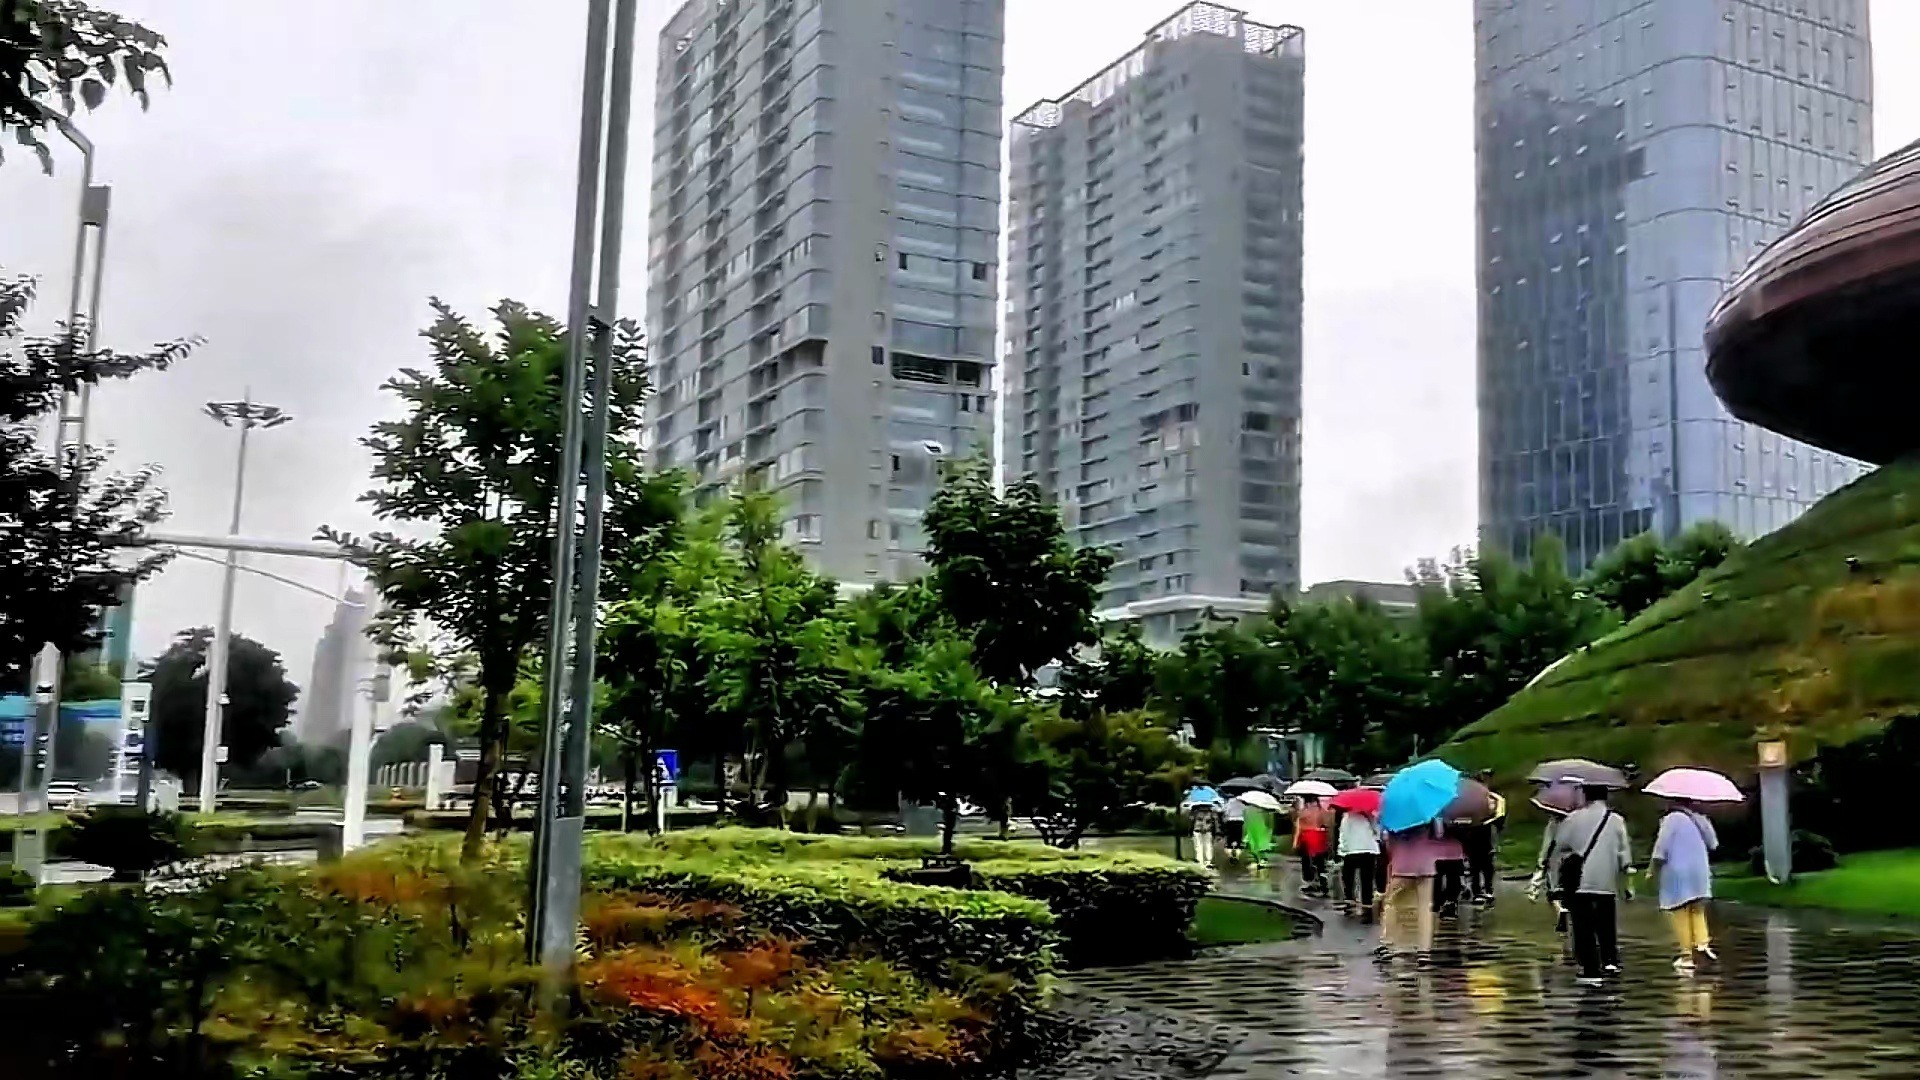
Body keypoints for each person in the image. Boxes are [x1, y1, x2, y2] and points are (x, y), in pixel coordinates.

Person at [1551, 785, 1634, 985]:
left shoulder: (1573, 818)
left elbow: (1561, 843)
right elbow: (1624, 853)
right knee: (1606, 922)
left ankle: (1590, 968)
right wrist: (1626, 879)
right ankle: (1609, 960)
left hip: (1580, 880)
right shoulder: (1616, 820)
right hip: (1607, 880)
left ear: (1585, 795)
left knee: (1583, 925)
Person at [1651, 798, 1720, 974]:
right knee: (1697, 908)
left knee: (1680, 910)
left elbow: (1661, 848)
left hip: (1677, 870)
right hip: (1699, 869)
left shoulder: (1671, 819)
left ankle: (1687, 954)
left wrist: (1653, 869)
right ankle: (1702, 943)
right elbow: (1714, 844)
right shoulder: (1700, 818)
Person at [1378, 822, 1447, 963]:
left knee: (1393, 905)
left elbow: (1385, 840)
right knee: (1425, 908)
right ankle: (1423, 949)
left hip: (1402, 866)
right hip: (1425, 865)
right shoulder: (1428, 814)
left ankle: (1390, 943)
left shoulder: (1393, 815)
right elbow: (1439, 834)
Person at [1337, 803, 1383, 914]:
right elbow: (1377, 833)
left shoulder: (1347, 817)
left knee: (1348, 877)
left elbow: (1343, 834)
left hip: (1352, 850)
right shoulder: (1371, 816)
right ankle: (1367, 904)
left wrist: (1342, 849)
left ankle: (1349, 900)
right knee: (1366, 878)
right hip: (1369, 849)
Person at [1293, 796, 1333, 896]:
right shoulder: (1322, 811)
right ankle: (1322, 881)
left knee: (1308, 862)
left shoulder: (1304, 812)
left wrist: (1295, 842)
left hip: (1308, 837)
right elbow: (1327, 824)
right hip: (1320, 837)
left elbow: (1298, 828)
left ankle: (1312, 882)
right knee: (1320, 861)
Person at [1430, 826, 1467, 916]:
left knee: (1438, 878)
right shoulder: (1457, 840)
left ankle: (1439, 902)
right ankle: (1450, 900)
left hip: (1439, 853)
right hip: (1454, 854)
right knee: (1453, 878)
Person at [1188, 799, 1220, 870]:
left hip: (1199, 830)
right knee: (1207, 846)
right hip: (1205, 830)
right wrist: (1216, 831)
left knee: (1199, 846)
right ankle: (1207, 862)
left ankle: (1201, 862)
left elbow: (1191, 822)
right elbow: (1215, 823)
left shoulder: (1195, 813)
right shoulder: (1211, 813)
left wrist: (1190, 831)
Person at [1242, 802, 1277, 869]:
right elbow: (1269, 820)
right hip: (1261, 828)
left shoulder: (1246, 810)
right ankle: (1262, 860)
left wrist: (1244, 833)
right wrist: (1270, 829)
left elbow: (1245, 822)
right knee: (1259, 847)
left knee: (1255, 847)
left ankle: (1261, 860)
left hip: (1252, 829)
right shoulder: (1264, 809)